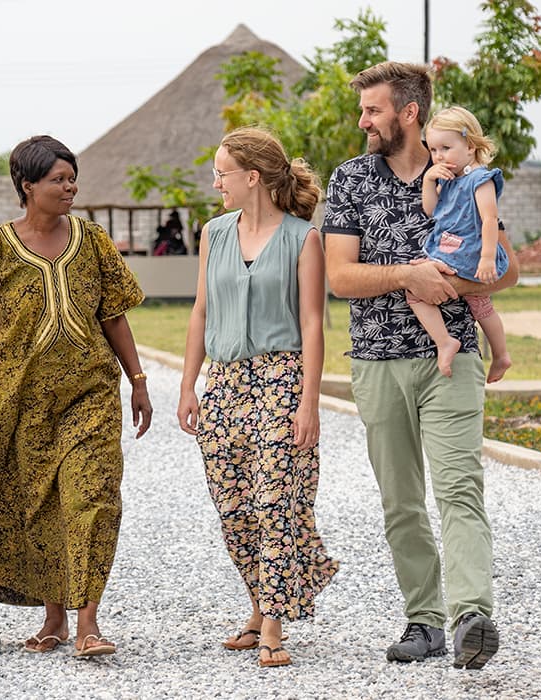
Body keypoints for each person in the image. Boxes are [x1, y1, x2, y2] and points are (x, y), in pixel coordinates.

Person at [319, 61, 519, 670]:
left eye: (373, 110)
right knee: (402, 501)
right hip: (377, 363)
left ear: (408, 113)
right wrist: (408, 274)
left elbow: (507, 270)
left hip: (450, 362)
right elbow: (339, 277)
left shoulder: (463, 175)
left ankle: (470, 618)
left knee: (460, 487)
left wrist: (451, 285)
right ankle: (425, 620)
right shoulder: (351, 178)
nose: (364, 121)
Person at [0, 135, 152, 659]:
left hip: (90, 396)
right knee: (40, 507)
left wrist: (138, 380)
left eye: (71, 177)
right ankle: (53, 617)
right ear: (27, 186)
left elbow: (113, 314)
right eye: (58, 179)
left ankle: (88, 623)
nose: (69, 187)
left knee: (91, 499)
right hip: (22, 404)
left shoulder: (93, 240)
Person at [176, 127, 337, 669]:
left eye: (222, 172)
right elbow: (201, 310)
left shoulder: (301, 238)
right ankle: (259, 602)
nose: (215, 181)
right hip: (223, 383)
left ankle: (272, 623)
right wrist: (188, 384)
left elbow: (313, 323)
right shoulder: (213, 233)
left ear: (252, 178)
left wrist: (308, 402)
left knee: (277, 502)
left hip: (282, 379)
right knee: (235, 506)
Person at [415, 106, 513, 382]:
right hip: (452, 247)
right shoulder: (448, 179)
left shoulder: (479, 180)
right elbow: (432, 211)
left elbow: (490, 219)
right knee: (480, 305)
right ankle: (501, 354)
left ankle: (444, 342)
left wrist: (487, 258)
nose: (439, 156)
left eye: (446, 147)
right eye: (434, 150)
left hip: (469, 251)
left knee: (415, 289)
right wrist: (427, 181)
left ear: (470, 147)